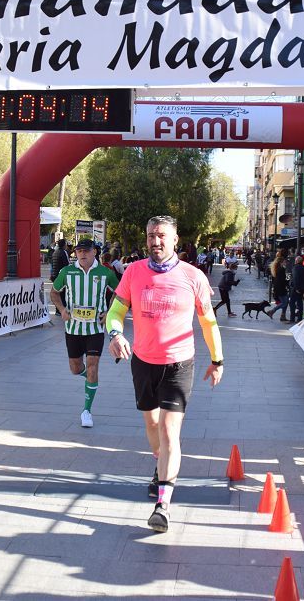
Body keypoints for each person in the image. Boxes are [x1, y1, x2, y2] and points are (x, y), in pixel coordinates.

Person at [105, 215, 224, 533]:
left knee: (171, 431)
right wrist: (115, 335)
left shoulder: (192, 276)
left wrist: (217, 360)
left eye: (161, 236)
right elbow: (116, 311)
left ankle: (163, 504)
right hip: (142, 361)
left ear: (174, 239)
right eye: (150, 236)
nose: (155, 241)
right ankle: (161, 464)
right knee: (152, 424)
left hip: (179, 364)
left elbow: (208, 322)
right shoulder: (133, 271)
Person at [50, 238, 119, 429]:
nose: (82, 254)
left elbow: (120, 292)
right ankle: (91, 378)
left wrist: (110, 312)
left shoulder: (105, 273)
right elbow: (54, 293)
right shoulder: (67, 272)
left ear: (94, 252)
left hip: (95, 329)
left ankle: (86, 411)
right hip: (73, 329)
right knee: (74, 368)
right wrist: (62, 310)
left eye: (86, 251)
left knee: (92, 366)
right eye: (79, 251)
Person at [266, 249, 290, 321]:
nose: (286, 262)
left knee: (285, 302)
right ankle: (272, 311)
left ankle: (282, 316)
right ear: (281, 262)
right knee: (284, 302)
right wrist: (288, 281)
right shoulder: (281, 269)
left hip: (278, 287)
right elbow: (282, 280)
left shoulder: (276, 268)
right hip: (281, 288)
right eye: (284, 262)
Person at [289, 254, 304, 324]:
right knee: (299, 302)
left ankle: (292, 318)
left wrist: (297, 288)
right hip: (302, 288)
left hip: (296, 288)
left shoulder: (295, 268)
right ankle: (299, 318)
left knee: (292, 302)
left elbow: (295, 278)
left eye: (295, 260)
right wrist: (303, 288)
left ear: (297, 261)